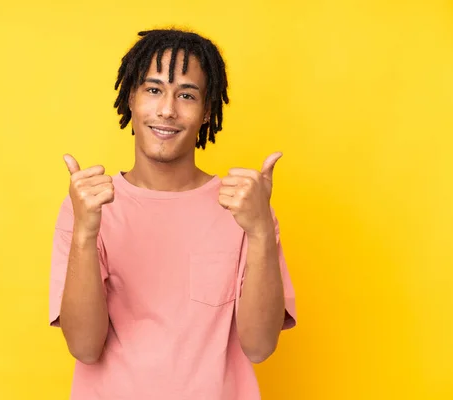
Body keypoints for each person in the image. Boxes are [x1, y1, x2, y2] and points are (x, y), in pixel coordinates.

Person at [48, 28, 297, 400]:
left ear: (207, 110)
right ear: (130, 97)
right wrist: (85, 232)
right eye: (153, 90)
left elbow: (260, 347)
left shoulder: (245, 209)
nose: (167, 109)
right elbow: (84, 348)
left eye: (186, 94)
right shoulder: (87, 207)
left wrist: (260, 231)